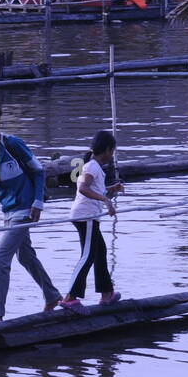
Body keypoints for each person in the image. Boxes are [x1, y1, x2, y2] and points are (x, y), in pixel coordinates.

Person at [0, 103, 60, 325]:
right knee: (25, 256)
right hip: (8, 212)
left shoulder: (12, 144)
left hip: (25, 210)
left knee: (1, 258)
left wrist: (38, 202)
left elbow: (38, 171)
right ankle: (52, 295)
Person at [61, 130, 124, 311]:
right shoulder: (92, 166)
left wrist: (112, 189)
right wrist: (106, 201)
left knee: (100, 252)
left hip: (88, 216)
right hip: (86, 217)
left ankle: (107, 293)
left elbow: (96, 191)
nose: (112, 155)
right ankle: (70, 297)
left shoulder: (94, 167)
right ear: (106, 150)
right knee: (88, 255)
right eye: (112, 151)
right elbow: (83, 188)